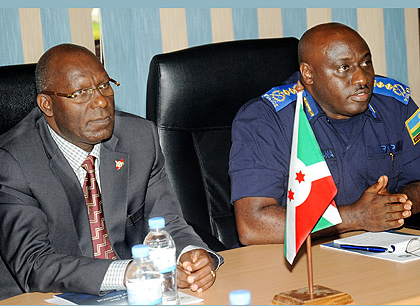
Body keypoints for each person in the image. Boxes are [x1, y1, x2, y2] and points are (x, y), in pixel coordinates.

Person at [0, 44, 222, 300]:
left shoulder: (138, 138)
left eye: (105, 85)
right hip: (38, 297)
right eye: (81, 93)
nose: (101, 101)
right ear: (47, 105)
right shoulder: (12, 160)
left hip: (129, 295)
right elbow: (34, 264)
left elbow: (167, 221)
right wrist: (127, 273)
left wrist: (191, 255)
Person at [229, 22, 420, 246]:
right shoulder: (266, 119)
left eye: (366, 62)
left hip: (381, 251)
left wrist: (396, 206)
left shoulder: (395, 103)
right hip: (298, 259)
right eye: (344, 68)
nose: (362, 79)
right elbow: (253, 225)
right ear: (308, 74)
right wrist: (354, 217)